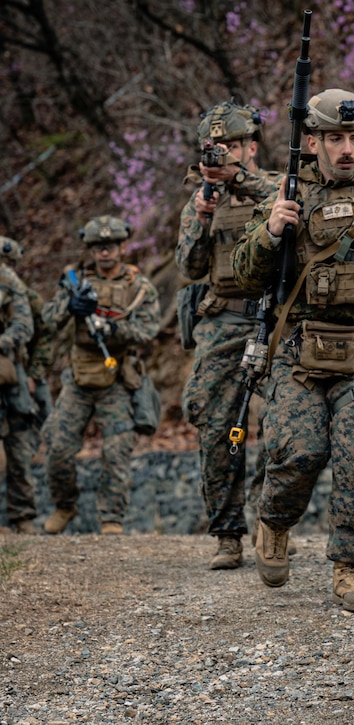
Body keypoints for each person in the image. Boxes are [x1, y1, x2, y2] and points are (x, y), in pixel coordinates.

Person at [232, 88, 354, 614]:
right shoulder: (285, 196)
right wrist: (269, 233)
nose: (347, 149)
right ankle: (275, 520)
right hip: (297, 351)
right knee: (300, 452)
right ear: (311, 142)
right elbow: (245, 274)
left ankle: (349, 567)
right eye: (335, 138)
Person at [176, 101, 281, 569]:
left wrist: (237, 180)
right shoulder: (200, 199)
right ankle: (227, 533)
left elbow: (284, 208)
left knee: (283, 424)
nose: (225, 154)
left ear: (251, 147)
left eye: (234, 145)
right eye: (216, 148)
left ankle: (271, 524)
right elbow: (188, 267)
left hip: (275, 317)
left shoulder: (275, 185)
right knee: (216, 424)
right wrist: (200, 220)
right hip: (223, 318)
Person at [40, 215, 161, 535]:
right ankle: (65, 506)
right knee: (58, 447)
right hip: (79, 376)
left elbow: (149, 329)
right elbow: (49, 320)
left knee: (117, 452)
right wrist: (70, 306)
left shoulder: (138, 286)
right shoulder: (74, 282)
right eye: (97, 247)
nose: (104, 253)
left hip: (118, 377)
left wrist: (114, 329)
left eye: (109, 246)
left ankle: (112, 518)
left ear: (122, 247)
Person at [0, 237, 37, 534]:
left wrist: (3, 342)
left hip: (10, 372)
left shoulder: (9, 282)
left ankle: (22, 516)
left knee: (20, 445)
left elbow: (25, 324)